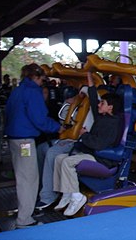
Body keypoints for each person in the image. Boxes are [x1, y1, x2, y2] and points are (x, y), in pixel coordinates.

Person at [52, 71, 123, 216]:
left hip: (101, 159)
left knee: (67, 162)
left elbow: (99, 144)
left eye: (102, 103)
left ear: (110, 107)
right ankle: (67, 193)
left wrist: (84, 135)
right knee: (59, 159)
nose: (99, 104)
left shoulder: (113, 124)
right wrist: (90, 79)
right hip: (91, 153)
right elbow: (92, 98)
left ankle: (77, 197)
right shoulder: (102, 116)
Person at [4, 63, 65, 228]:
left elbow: (8, 113)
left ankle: (25, 211)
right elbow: (39, 118)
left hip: (14, 138)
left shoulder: (17, 90)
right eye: (42, 79)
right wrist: (58, 127)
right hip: (25, 141)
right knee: (29, 179)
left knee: (22, 178)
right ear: (36, 76)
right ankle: (25, 220)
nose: (42, 83)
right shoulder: (32, 92)